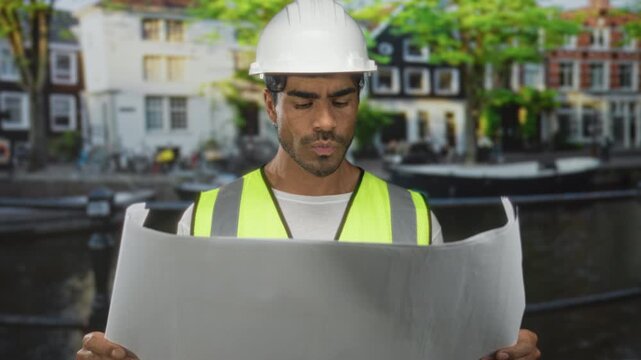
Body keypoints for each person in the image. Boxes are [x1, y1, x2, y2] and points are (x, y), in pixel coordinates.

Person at [77, 0, 540, 359]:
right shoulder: (204, 217)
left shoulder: (415, 218)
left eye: (341, 100)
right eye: (303, 102)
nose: (325, 121)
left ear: (359, 98)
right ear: (271, 104)